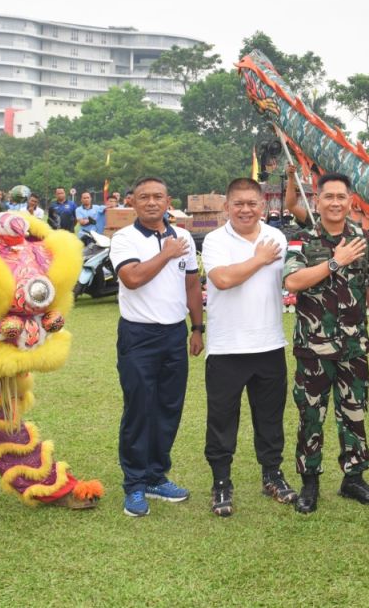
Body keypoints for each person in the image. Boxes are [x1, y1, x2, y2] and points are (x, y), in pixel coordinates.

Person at [283, 172, 369, 513]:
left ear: (350, 200)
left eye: (341, 197)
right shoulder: (303, 238)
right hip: (313, 348)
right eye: (328, 196)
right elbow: (293, 281)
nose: (334, 202)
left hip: (353, 345)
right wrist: (334, 262)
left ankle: (353, 478)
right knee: (311, 414)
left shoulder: (363, 240)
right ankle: (309, 482)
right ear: (317, 199)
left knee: (354, 413)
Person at [197, 177, 297, 517]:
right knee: (222, 421)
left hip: (269, 344)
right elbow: (222, 280)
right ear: (227, 207)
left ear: (263, 206)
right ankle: (221, 483)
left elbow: (292, 279)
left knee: (270, 420)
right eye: (238, 203)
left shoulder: (277, 237)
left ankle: (272, 475)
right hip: (227, 348)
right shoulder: (214, 240)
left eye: (252, 203)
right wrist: (259, 258)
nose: (245, 209)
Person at [109, 176, 202, 518]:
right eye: (144, 197)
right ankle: (134, 484)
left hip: (175, 334)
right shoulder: (124, 238)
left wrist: (197, 327)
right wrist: (165, 254)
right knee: (139, 407)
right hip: (138, 336)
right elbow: (131, 279)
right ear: (132, 201)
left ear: (168, 201)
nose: (151, 202)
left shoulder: (184, 238)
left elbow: (192, 284)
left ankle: (155, 475)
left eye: (158, 197)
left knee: (168, 407)